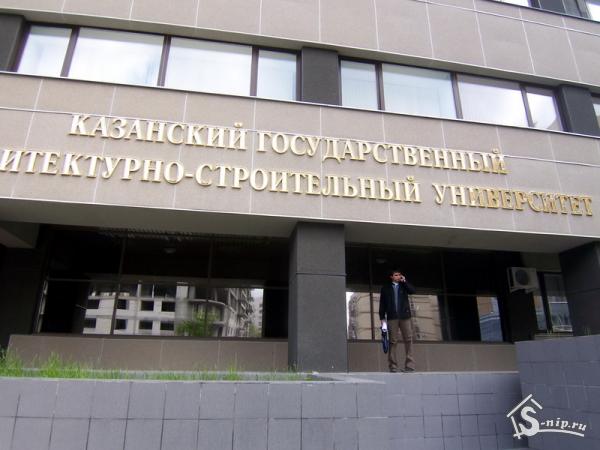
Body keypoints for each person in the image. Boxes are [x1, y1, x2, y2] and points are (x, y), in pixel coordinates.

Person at [379, 269, 416, 373]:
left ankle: (410, 365)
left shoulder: (404, 285)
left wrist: (405, 281)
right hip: (392, 317)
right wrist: (382, 318)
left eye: (399, 275)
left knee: (408, 339)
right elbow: (382, 304)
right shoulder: (385, 288)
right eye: (396, 275)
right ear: (391, 277)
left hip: (405, 317)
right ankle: (393, 366)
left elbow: (413, 291)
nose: (398, 276)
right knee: (393, 341)